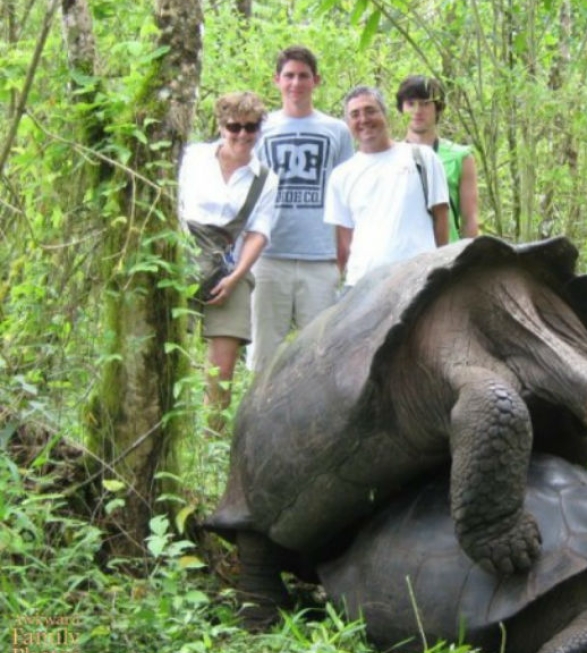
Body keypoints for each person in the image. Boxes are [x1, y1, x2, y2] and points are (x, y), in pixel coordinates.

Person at [249, 46, 354, 373]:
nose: (296, 83)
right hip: (268, 256)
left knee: (321, 357)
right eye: (289, 76)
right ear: (277, 80)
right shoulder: (259, 130)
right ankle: (260, 424)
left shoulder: (336, 130)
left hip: (320, 259)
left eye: (303, 76)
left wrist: (342, 255)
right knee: (263, 356)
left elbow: (346, 194)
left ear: (316, 80)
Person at [178, 91, 277, 435]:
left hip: (228, 266)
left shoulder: (264, 177)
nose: (242, 135)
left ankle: (211, 438)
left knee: (221, 371)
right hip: (180, 258)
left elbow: (259, 232)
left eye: (250, 128)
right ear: (221, 126)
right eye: (234, 127)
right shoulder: (191, 158)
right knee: (166, 352)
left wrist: (236, 277)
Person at [324, 86, 450, 289]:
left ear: (385, 114)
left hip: (418, 281)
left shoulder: (422, 158)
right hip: (361, 284)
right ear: (348, 124)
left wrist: (441, 272)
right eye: (355, 115)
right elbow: (343, 243)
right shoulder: (341, 175)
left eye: (370, 110)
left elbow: (441, 219)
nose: (364, 119)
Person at [396, 75, 480, 241]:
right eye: (411, 104)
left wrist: (471, 261)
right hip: (403, 257)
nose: (417, 111)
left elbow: (470, 219)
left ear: (438, 108)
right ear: (401, 109)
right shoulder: (390, 158)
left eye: (425, 104)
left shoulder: (460, 157)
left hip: (447, 255)